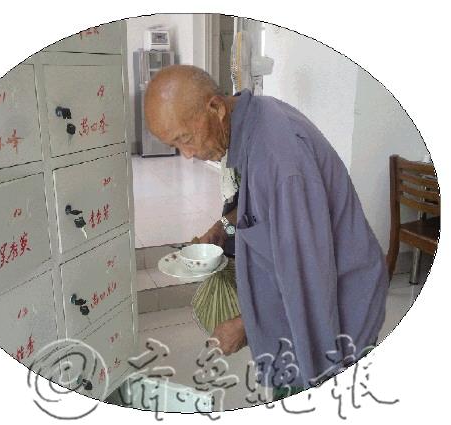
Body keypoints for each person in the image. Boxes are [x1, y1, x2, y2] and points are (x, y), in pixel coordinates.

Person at [144, 64, 388, 391]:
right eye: (175, 145)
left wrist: (244, 325)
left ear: (216, 108)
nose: (187, 155)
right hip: (303, 303)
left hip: (333, 320)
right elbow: (266, 208)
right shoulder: (254, 119)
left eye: (185, 139)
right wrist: (225, 225)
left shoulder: (279, 161)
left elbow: (308, 282)